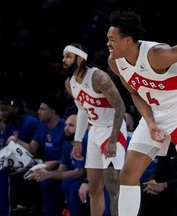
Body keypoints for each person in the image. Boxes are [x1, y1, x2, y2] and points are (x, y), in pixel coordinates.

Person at [107, 10, 177, 216]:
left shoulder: (156, 55)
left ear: (128, 40)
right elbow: (135, 92)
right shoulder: (115, 62)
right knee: (128, 174)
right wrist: (150, 123)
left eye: (112, 40)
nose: (108, 44)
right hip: (155, 113)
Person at [63, 43, 127, 216]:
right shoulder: (70, 83)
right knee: (94, 187)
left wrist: (113, 140)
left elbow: (120, 107)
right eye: (63, 56)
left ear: (80, 58)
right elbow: (82, 110)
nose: (64, 60)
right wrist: (77, 140)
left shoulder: (98, 78)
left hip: (112, 128)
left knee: (113, 188)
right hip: (94, 131)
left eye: (68, 56)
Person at [32, 114, 88, 216]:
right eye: (65, 125)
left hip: (87, 178)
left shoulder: (84, 141)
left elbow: (79, 173)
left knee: (71, 186)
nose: (66, 128)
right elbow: (62, 168)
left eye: (71, 125)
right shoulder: (67, 142)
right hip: (73, 177)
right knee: (47, 183)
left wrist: (50, 174)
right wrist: (43, 173)